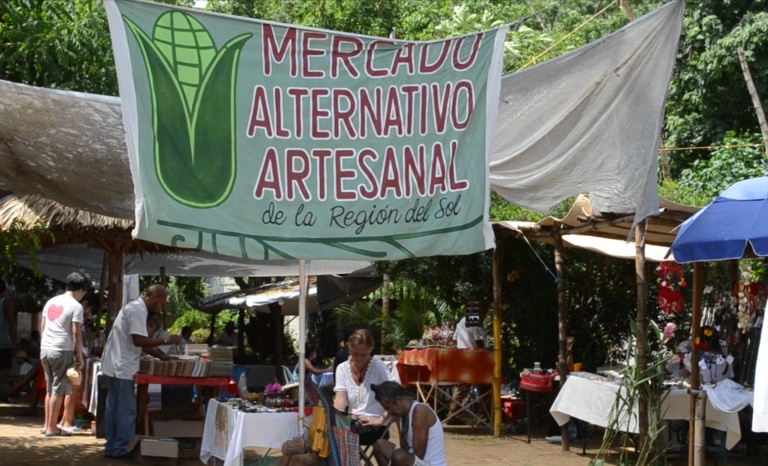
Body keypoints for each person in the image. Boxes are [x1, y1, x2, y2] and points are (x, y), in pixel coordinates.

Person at [101, 285, 181, 459]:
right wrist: (167, 339)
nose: (161, 307)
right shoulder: (138, 310)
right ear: (152, 296)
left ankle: (112, 447)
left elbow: (142, 343)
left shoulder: (134, 308)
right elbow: (139, 341)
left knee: (114, 408)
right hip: (122, 366)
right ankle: (123, 448)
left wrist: (162, 356)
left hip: (116, 363)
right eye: (161, 302)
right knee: (126, 409)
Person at [40, 272, 89, 437]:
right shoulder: (76, 306)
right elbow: (76, 332)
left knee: (49, 389)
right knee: (59, 390)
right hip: (62, 350)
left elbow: (43, 326)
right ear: (81, 290)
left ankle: (47, 425)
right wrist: (79, 356)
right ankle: (52, 428)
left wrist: (44, 345)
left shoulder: (51, 301)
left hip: (46, 349)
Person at [334, 329, 394, 445]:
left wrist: (380, 420)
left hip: (376, 424)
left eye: (364, 354)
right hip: (353, 421)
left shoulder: (378, 367)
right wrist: (336, 417)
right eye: (355, 353)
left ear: (371, 351)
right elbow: (340, 401)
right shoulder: (342, 368)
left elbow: (397, 398)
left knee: (340, 437)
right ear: (349, 348)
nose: (359, 358)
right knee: (328, 432)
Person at [371, 381, 446, 466]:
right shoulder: (399, 415)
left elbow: (418, 455)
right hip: (413, 459)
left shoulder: (420, 411)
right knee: (379, 445)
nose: (389, 412)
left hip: (430, 463)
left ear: (399, 400)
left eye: (389, 408)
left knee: (399, 456)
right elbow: (404, 447)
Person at [447, 315, 486, 424]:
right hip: (474, 360)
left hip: (462, 358)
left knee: (461, 388)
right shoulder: (476, 321)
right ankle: (484, 416)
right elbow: (480, 343)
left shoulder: (461, 321)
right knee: (484, 387)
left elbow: (454, 340)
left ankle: (453, 414)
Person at [0, 278, 17, 393]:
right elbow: (12, 323)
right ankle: (1, 385)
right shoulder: (7, 302)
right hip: (3, 340)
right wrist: (15, 342)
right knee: (6, 365)